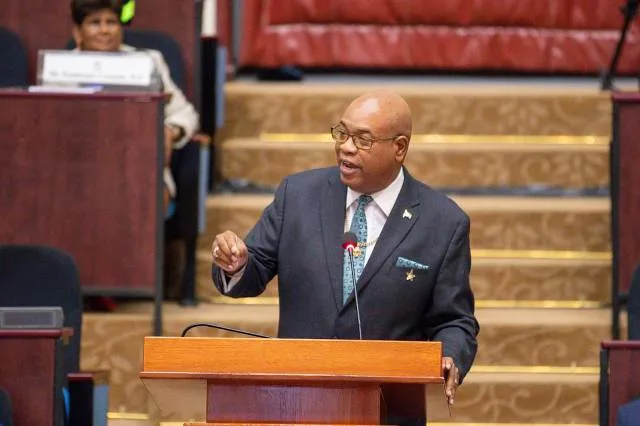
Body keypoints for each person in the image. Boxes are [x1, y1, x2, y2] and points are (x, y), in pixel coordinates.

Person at [211, 91, 479, 424]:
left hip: (388, 409)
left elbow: (454, 320)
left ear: (399, 147)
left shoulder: (443, 222)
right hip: (297, 403)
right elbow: (254, 269)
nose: (346, 147)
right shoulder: (298, 195)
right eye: (342, 133)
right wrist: (237, 265)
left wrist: (449, 356)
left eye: (363, 140)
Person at [70, 0, 199, 215]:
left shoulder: (147, 61)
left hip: (139, 167)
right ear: (77, 32)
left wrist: (170, 131)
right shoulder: (60, 67)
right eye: (95, 23)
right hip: (78, 168)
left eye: (111, 22)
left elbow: (185, 112)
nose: (105, 30)